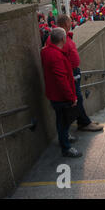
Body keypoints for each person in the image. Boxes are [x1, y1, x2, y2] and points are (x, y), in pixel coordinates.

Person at [48, 15, 103, 132]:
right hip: (69, 74)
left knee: (78, 97)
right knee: (77, 98)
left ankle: (83, 121)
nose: (71, 23)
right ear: (65, 23)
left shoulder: (64, 36)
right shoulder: (58, 38)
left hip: (73, 71)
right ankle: (83, 122)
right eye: (69, 21)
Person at [41, 28, 82, 158]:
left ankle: (64, 138)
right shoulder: (56, 56)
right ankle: (66, 147)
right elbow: (61, 80)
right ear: (63, 39)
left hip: (54, 94)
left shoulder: (46, 51)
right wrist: (72, 97)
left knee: (61, 120)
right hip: (61, 96)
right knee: (63, 121)